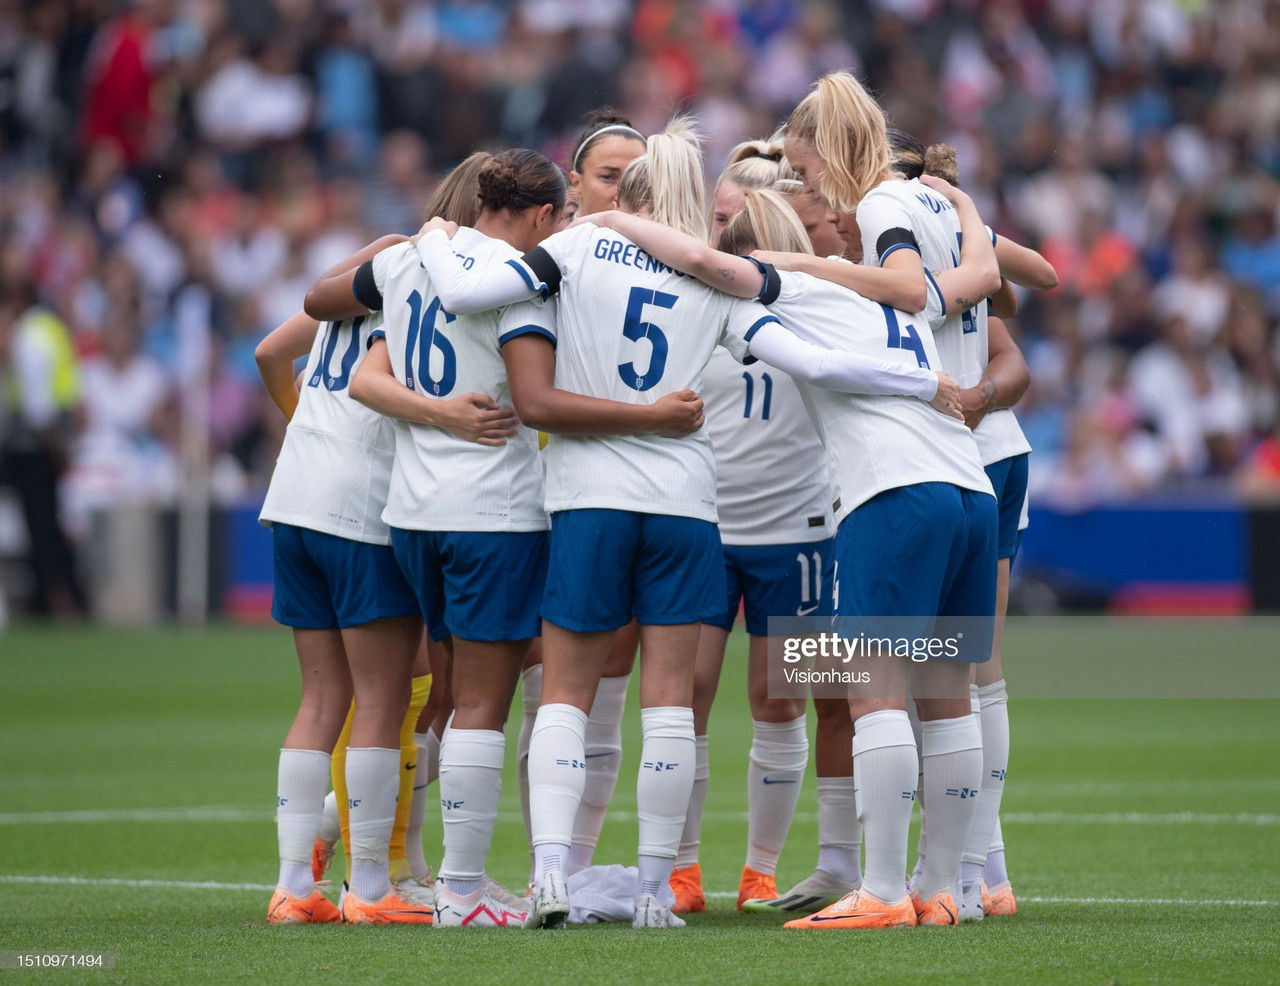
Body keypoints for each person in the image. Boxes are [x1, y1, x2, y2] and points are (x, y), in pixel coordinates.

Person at [411, 119, 960, 929]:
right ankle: (655, 891)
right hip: (688, 509)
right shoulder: (712, 282)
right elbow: (808, 359)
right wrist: (920, 380)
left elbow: (467, 293)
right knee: (674, 702)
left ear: (625, 197)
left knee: (567, 691)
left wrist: (431, 235)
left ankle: (553, 875)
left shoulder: (574, 249)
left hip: (591, 499)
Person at [303, 147, 708, 926]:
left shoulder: (411, 260)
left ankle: (406, 867)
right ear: (546, 214)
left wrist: (435, 408)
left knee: (449, 696)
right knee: (486, 707)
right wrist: (654, 414)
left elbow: (341, 335)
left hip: (413, 513)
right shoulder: (523, 282)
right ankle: (461, 891)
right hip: (493, 510)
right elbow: (535, 400)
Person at [581, 180, 1001, 929]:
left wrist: (610, 220)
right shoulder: (901, 297)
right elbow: (987, 275)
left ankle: (875, 887)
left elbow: (706, 265)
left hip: (887, 494)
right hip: (968, 490)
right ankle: (946, 890)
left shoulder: (789, 287)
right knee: (946, 698)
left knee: (867, 694)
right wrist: (968, 210)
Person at [257, 230, 505, 925]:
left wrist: (312, 426)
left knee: (320, 696)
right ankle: (370, 887)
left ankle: (292, 888)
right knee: (384, 698)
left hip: (296, 494)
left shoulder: (367, 271)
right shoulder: (439, 281)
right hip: (364, 508)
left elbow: (270, 352)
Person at [664, 140, 829, 916]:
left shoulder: (815, 300)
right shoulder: (692, 295)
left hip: (797, 526)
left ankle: (760, 870)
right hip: (706, 521)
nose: (720, 228)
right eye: (717, 214)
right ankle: (683, 868)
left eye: (734, 216)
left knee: (779, 698)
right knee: (686, 692)